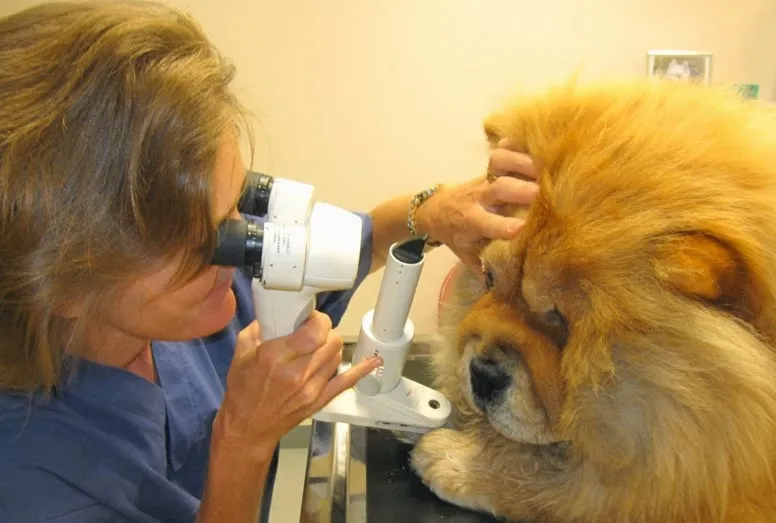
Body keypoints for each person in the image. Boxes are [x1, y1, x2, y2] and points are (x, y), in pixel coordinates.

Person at [0, 2, 538, 522]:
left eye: (239, 203)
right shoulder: (29, 481)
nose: (240, 246)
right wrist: (243, 441)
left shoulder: (188, 300)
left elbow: (366, 241)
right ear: (61, 283)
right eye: (201, 238)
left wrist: (432, 210)